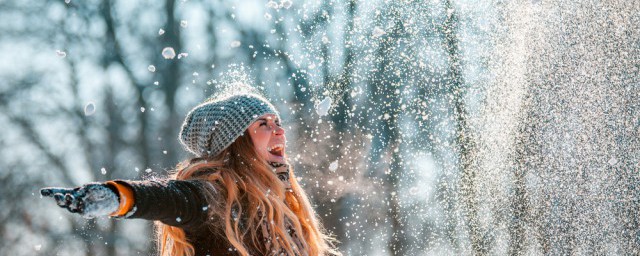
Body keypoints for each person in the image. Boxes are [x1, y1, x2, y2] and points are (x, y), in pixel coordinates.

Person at [41, 93, 340, 256]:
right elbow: (166, 198)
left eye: (277, 121)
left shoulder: (285, 208)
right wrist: (118, 197)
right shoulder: (215, 197)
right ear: (236, 142)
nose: (279, 129)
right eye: (262, 124)